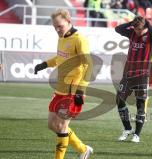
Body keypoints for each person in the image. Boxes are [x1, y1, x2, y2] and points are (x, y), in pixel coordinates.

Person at [34, 9, 93, 159]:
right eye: (55, 27)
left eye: (60, 26)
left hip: (73, 91)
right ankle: (83, 149)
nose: (57, 30)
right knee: (52, 124)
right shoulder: (61, 38)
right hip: (60, 89)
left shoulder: (79, 39)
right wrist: (45, 64)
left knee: (61, 126)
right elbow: (60, 57)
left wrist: (81, 90)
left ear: (68, 21)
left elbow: (88, 65)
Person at [115, 16, 152, 143]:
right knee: (119, 100)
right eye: (135, 28)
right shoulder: (132, 33)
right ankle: (127, 129)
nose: (137, 31)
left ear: (145, 27)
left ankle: (137, 135)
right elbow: (117, 29)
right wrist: (131, 23)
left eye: (139, 29)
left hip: (143, 75)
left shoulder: (151, 37)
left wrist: (146, 23)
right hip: (128, 74)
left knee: (140, 104)